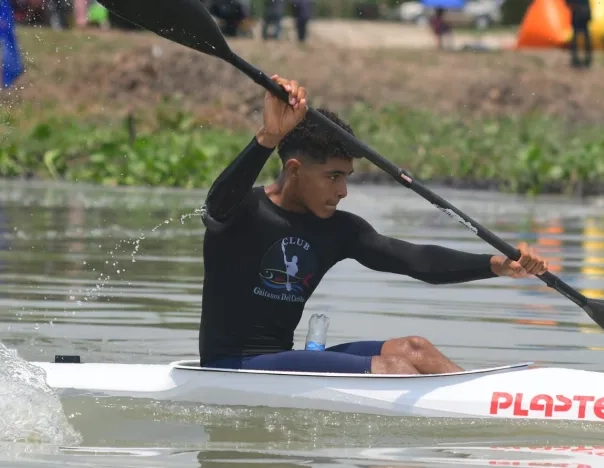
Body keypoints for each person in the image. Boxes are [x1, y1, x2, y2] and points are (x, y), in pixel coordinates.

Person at [198, 76, 550, 375]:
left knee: (414, 349)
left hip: (283, 363)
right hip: (232, 365)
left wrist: (497, 265)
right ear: (293, 170)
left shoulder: (339, 230)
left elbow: (415, 259)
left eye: (347, 177)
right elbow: (215, 203)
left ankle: (485, 406)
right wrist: (268, 137)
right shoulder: (241, 210)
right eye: (333, 177)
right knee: (392, 368)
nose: (343, 191)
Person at [567, 0, 592, 67]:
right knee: (576, 41)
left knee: (585, 41)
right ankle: (576, 59)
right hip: (577, 18)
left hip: (583, 18)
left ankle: (587, 59)